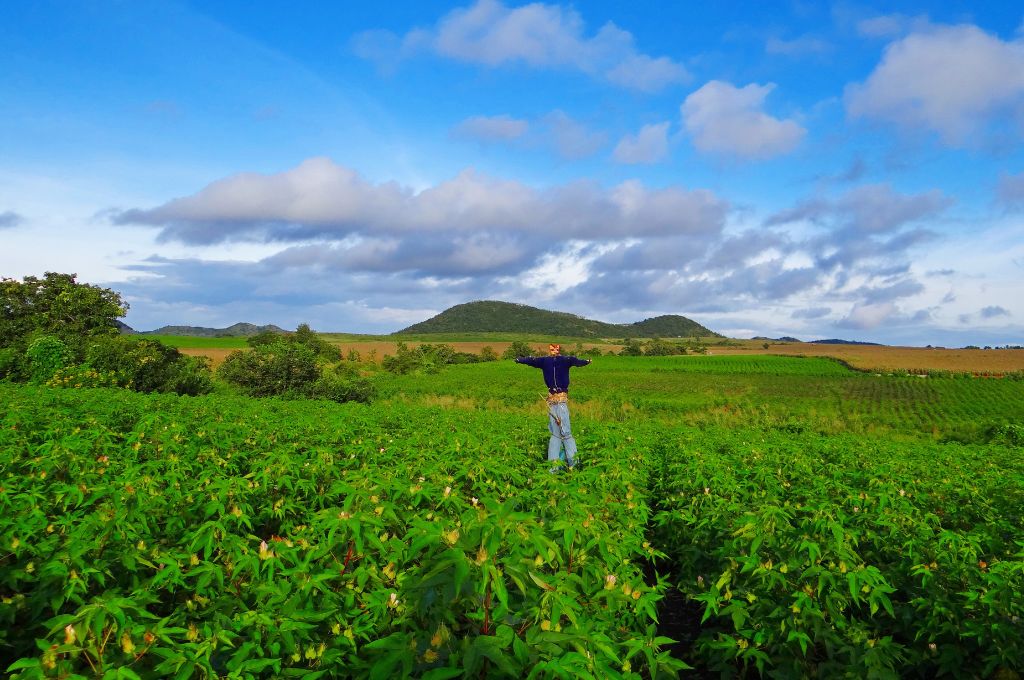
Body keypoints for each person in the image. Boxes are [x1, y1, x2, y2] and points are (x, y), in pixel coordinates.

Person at [514, 343, 592, 472]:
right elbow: (532, 360)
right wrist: (520, 360)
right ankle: (555, 468)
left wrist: (586, 362)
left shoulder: (566, 360)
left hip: (561, 401)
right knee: (556, 434)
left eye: (555, 348)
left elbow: (576, 361)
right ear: (550, 350)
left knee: (565, 432)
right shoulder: (545, 361)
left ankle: (573, 465)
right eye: (552, 349)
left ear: (559, 349)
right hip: (552, 401)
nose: (554, 351)